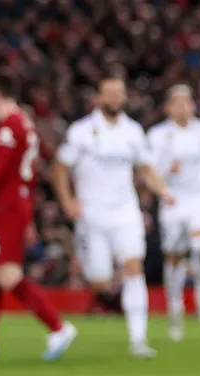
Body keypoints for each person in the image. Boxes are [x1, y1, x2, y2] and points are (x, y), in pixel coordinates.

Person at [51, 75, 175, 359]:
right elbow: (59, 168)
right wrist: (67, 200)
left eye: (120, 93)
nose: (116, 98)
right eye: (110, 93)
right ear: (97, 97)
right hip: (92, 214)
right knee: (99, 280)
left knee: (134, 268)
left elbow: (145, 168)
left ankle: (139, 340)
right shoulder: (81, 131)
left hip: (124, 211)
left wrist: (163, 191)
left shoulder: (133, 131)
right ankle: (103, 282)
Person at [0, 73, 77, 362]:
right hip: (13, 204)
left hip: (7, 207)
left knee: (8, 275)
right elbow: (28, 173)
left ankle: (58, 327)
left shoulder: (9, 125)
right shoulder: (24, 121)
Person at [147, 84, 200, 341]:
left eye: (187, 102)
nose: (183, 107)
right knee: (175, 258)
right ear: (168, 107)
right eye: (177, 103)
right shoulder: (157, 135)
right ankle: (175, 308)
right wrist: (168, 170)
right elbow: (150, 171)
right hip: (173, 201)